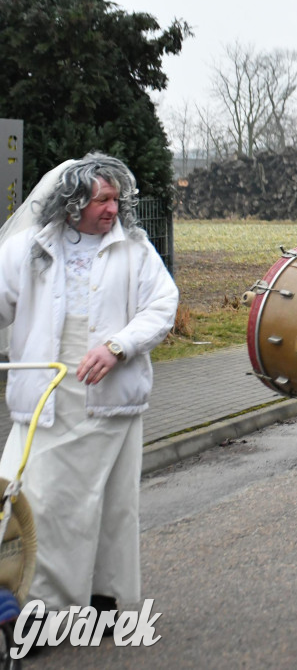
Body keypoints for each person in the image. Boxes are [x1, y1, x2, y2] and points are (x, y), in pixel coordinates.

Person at [0, 153, 178, 622]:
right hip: (45, 393)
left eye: (117, 199)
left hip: (109, 397)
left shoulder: (135, 249)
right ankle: (33, 604)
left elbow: (162, 306)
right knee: (34, 499)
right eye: (103, 200)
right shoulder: (28, 248)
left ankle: (99, 600)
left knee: (109, 503)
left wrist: (118, 346)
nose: (113, 209)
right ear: (73, 202)